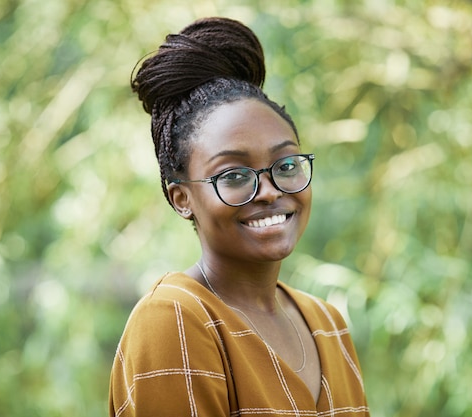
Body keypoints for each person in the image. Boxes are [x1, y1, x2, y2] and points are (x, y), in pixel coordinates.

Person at [109, 17, 370, 417]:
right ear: (182, 198)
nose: (269, 190)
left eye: (285, 166)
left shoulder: (327, 322)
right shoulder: (175, 319)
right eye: (233, 175)